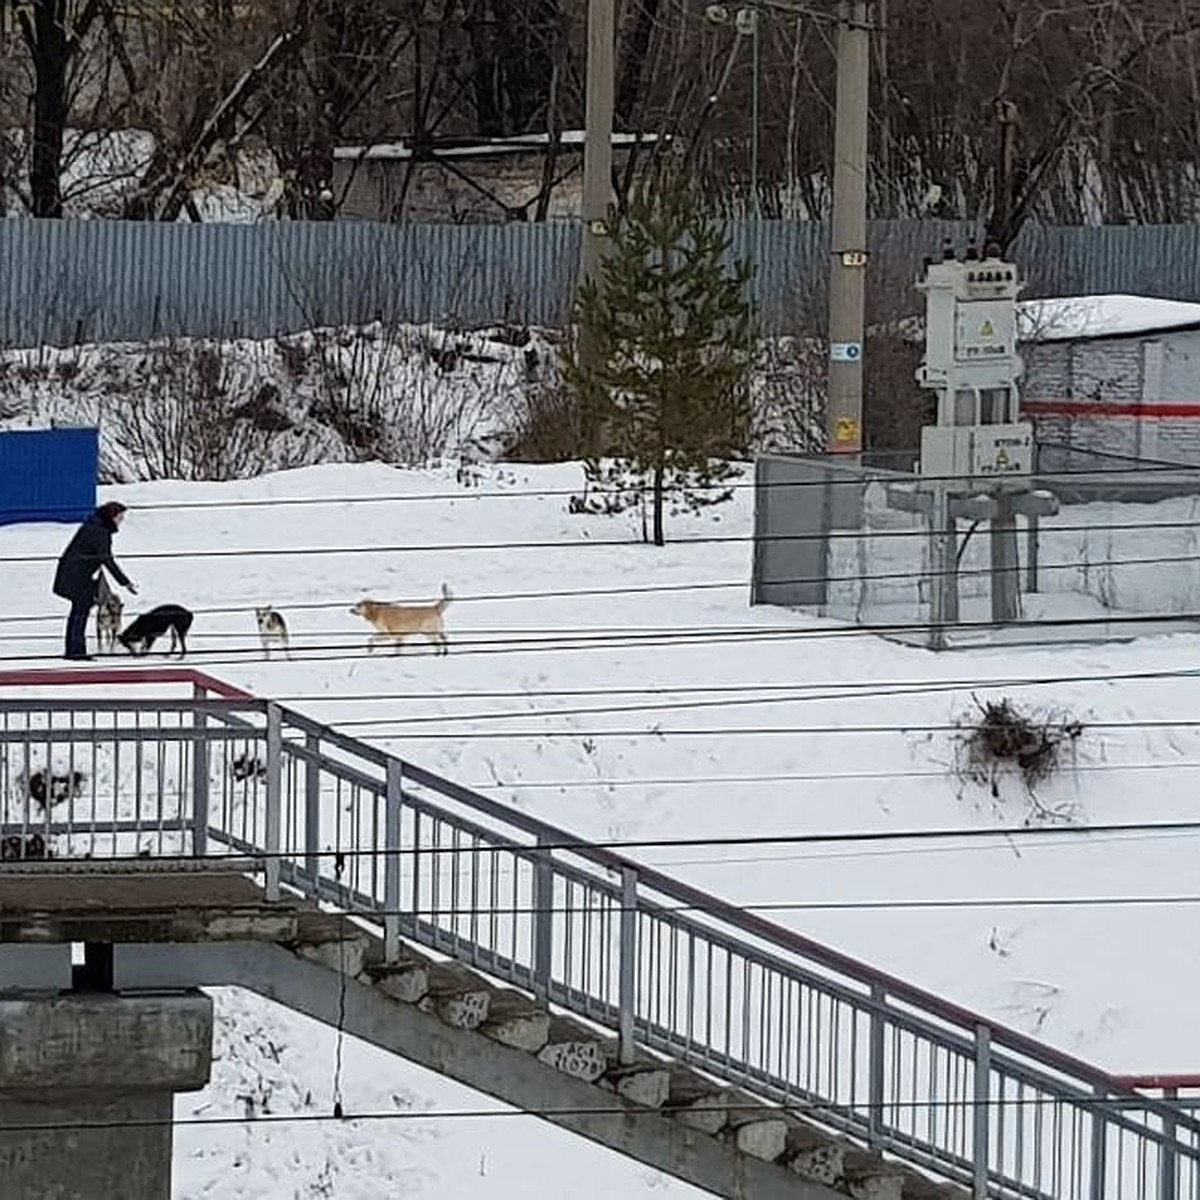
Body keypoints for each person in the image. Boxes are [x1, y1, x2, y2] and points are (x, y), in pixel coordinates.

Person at [52, 501, 137, 661]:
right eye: (120, 517)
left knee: (78, 612)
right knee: (80, 613)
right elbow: (106, 559)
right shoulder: (100, 532)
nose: (121, 521)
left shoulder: (93, 526)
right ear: (112, 516)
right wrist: (125, 582)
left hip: (73, 575)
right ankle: (76, 652)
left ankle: (74, 649)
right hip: (77, 578)